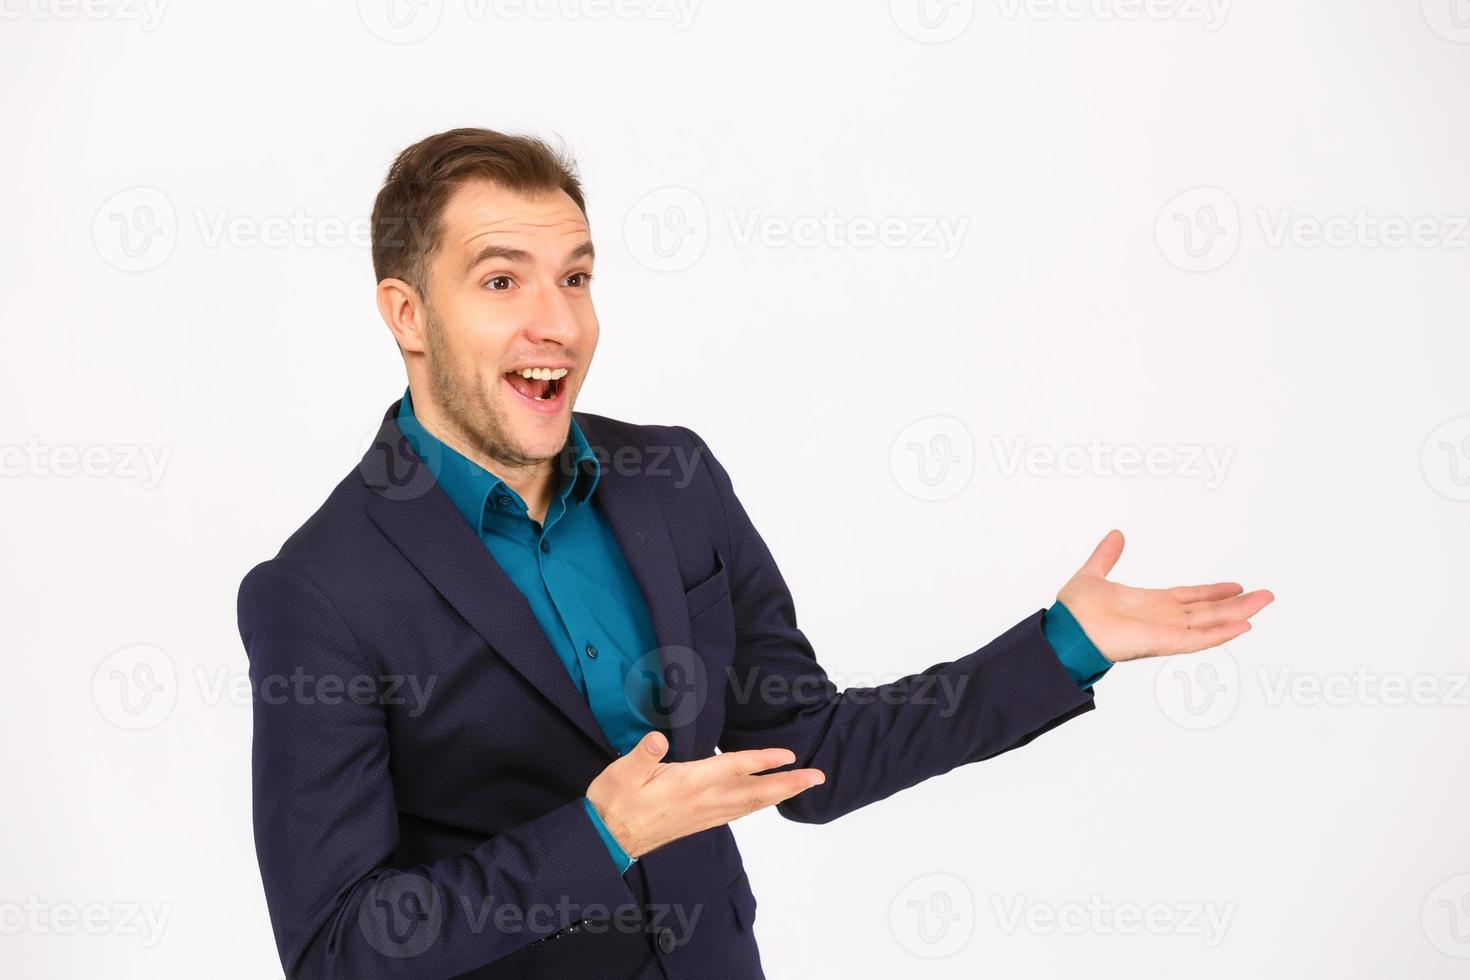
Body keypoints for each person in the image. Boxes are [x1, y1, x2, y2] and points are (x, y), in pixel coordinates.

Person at [236, 127, 1274, 980]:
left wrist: (1059, 645)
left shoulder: (672, 481)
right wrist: (596, 835)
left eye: (577, 275)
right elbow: (337, 947)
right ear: (407, 315)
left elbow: (806, 751)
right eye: (502, 281)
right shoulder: (321, 590)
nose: (558, 321)